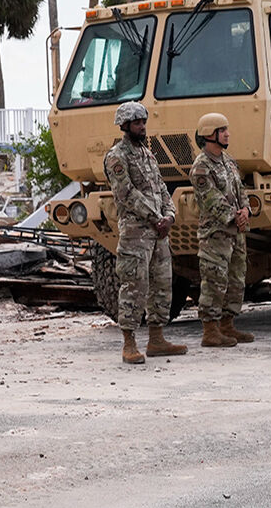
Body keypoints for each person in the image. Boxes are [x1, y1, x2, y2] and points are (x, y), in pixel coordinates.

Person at [103, 101, 188, 364]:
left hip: (158, 231)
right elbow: (126, 193)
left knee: (162, 284)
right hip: (136, 233)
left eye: (144, 122)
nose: (142, 127)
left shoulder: (148, 155)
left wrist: (170, 215)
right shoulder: (117, 156)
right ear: (125, 126)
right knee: (134, 285)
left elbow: (162, 189)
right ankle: (129, 343)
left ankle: (157, 339)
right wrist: (155, 218)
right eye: (137, 123)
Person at [189, 112, 255, 347]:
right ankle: (210, 331)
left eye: (227, 129)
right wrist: (234, 216)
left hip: (236, 233)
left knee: (236, 279)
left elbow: (241, 190)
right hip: (216, 235)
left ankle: (227, 326)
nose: (228, 134)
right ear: (210, 134)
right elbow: (210, 199)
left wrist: (246, 209)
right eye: (222, 130)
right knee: (214, 281)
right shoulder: (201, 167)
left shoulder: (228, 161)